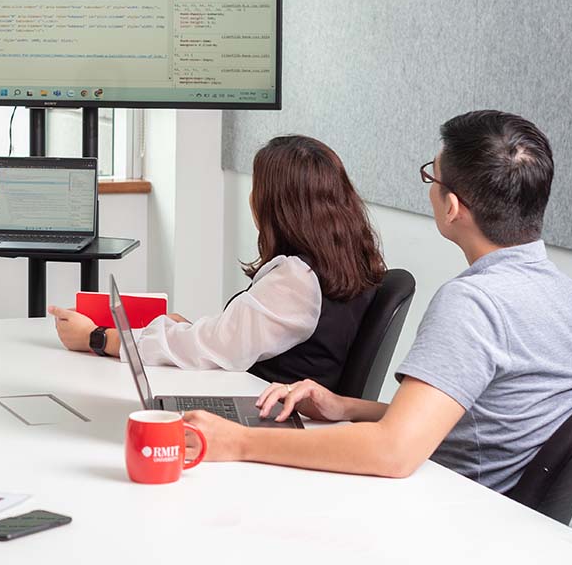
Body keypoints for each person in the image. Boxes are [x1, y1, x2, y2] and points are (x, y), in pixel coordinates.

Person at [185, 111, 572, 493]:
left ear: (452, 206)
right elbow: (470, 424)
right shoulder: (564, 294)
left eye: (432, 179)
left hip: (444, 506)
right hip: (488, 512)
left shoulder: (474, 303)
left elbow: (393, 452)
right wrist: (344, 407)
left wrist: (238, 441)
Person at [51, 136, 386, 392]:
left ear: (277, 207)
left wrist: (97, 338)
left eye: (258, 190)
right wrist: (191, 330)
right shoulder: (350, 260)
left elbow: (213, 349)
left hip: (267, 416)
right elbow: (239, 339)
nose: (252, 198)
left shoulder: (298, 280)